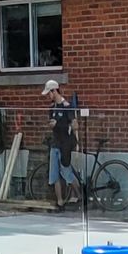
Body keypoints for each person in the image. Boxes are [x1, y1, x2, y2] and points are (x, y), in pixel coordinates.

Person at [42, 79, 80, 210]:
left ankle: (80, 195)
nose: (48, 96)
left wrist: (69, 126)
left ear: (54, 91)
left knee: (67, 173)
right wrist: (51, 125)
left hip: (64, 144)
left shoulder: (66, 106)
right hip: (55, 143)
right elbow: (51, 122)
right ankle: (60, 202)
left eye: (49, 93)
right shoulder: (52, 108)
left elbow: (73, 124)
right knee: (54, 174)